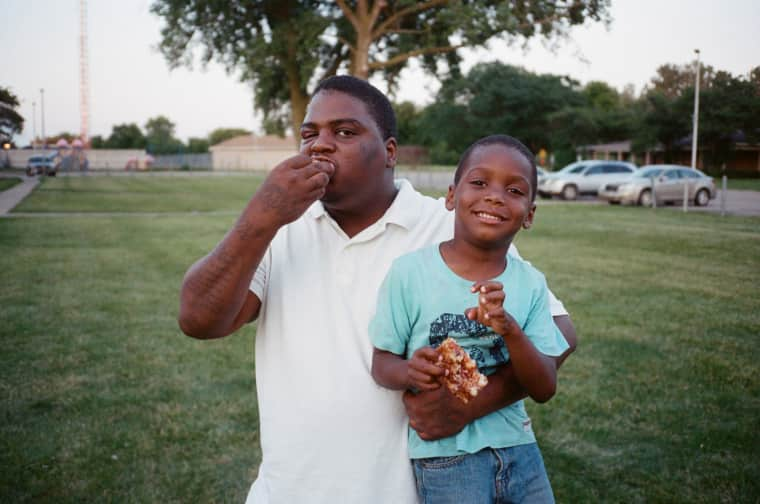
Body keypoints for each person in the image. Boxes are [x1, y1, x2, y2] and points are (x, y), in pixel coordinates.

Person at [177, 75, 577, 503]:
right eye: (309, 135)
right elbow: (199, 319)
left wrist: (472, 404)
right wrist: (262, 216)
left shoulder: (449, 227)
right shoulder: (277, 229)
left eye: (344, 132)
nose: (320, 145)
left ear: (389, 152)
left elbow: (559, 331)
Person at [370, 134, 565, 503]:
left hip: (520, 449)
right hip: (445, 460)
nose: (494, 196)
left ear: (530, 214)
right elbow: (381, 363)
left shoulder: (531, 284)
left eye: (514, 190)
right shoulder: (410, 274)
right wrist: (410, 371)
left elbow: (544, 388)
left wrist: (508, 329)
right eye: (479, 183)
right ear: (450, 196)